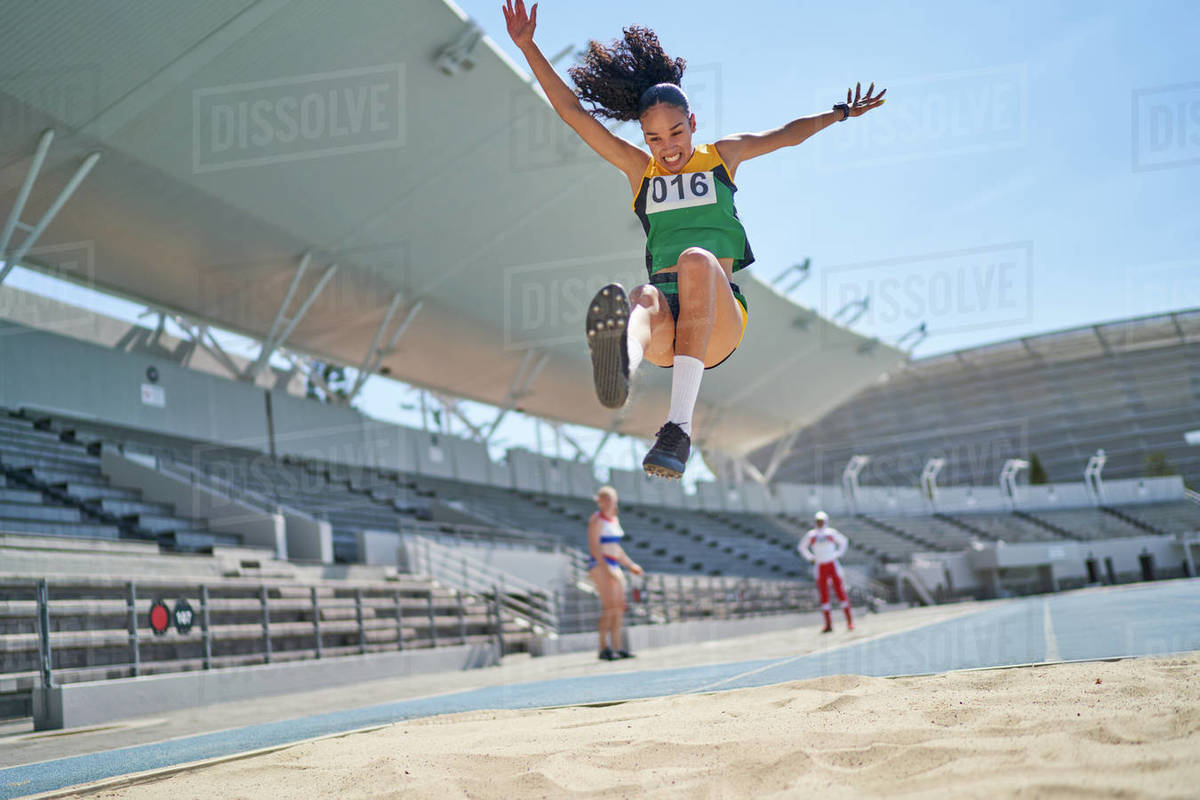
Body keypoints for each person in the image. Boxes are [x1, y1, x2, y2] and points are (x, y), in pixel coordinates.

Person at [503, 1, 885, 480]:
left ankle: (677, 428)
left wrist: (840, 113)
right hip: (668, 322)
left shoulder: (722, 158)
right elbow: (573, 113)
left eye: (676, 133)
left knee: (696, 259)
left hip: (718, 316)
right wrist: (528, 47)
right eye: (654, 139)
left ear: (693, 125)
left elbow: (787, 134)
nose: (668, 147)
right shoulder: (638, 170)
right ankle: (623, 359)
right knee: (641, 295)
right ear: (644, 139)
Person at [587, 485, 643, 660]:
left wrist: (630, 564)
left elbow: (616, 549)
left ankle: (617, 647)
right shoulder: (596, 519)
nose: (609, 502)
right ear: (600, 501)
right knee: (609, 607)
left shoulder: (614, 520)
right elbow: (595, 547)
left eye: (611, 499)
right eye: (605, 499)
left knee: (619, 608)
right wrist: (606, 569)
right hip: (601, 565)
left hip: (613, 565)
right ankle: (604, 647)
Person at [798, 511, 854, 633]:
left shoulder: (831, 533)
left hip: (832, 565)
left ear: (825, 521)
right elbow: (801, 547)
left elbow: (844, 542)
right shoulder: (811, 535)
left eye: (821, 521)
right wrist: (810, 558)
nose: (819, 523)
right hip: (820, 566)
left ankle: (849, 622)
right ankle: (828, 624)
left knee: (840, 592)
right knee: (824, 596)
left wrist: (838, 554)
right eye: (817, 521)